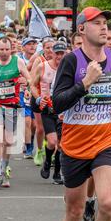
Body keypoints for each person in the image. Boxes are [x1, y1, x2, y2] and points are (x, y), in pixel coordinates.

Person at [52, 7, 111, 221]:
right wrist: (85, 83)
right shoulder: (71, 61)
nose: (104, 28)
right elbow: (57, 103)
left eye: (106, 23)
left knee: (107, 203)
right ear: (82, 29)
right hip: (75, 143)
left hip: (107, 139)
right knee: (75, 210)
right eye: (97, 23)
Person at [0, 36, 31, 189]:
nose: (4, 52)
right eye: (1, 49)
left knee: (8, 141)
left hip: (12, 105)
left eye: (6, 49)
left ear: (11, 49)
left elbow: (29, 79)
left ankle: (4, 170)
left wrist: (26, 82)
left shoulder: (17, 61)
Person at [30, 41, 66, 185]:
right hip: (48, 109)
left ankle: (57, 172)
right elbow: (32, 84)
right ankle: (46, 162)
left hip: (64, 110)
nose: (59, 56)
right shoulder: (43, 66)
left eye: (62, 53)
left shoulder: (69, 68)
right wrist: (38, 98)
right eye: (57, 53)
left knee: (61, 145)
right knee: (52, 142)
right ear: (52, 53)